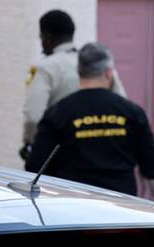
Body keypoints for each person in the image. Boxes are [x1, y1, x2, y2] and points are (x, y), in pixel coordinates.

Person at [25, 42, 154, 201]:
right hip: (122, 210)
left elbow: (35, 167)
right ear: (108, 73)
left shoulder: (58, 113)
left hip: (73, 209)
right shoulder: (132, 113)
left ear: (79, 71)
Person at [21, 9, 126, 159]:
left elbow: (33, 116)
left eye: (41, 37)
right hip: (103, 149)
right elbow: (122, 102)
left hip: (62, 151)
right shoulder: (97, 64)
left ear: (48, 37)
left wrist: (31, 144)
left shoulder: (45, 68)